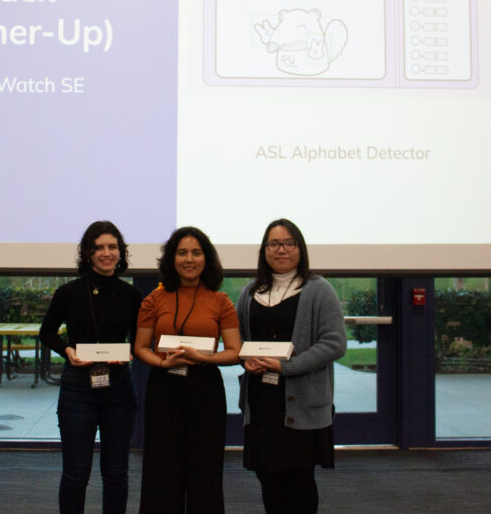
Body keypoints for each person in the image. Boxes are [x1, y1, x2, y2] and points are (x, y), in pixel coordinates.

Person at [235, 218, 347, 514]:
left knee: (299, 481)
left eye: (288, 243)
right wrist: (247, 359)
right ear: (264, 250)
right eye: (273, 244)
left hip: (301, 404)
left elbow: (335, 344)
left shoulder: (318, 289)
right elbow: (240, 340)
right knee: (267, 477)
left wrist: (288, 367)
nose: (281, 250)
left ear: (300, 248)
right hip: (261, 401)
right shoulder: (249, 292)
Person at [133, 226, 241, 514]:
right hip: (164, 389)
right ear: (171, 259)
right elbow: (141, 347)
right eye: (182, 253)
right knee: (161, 468)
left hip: (205, 391)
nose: (189, 259)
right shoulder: (154, 299)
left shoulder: (221, 301)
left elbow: (234, 351)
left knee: (204, 469)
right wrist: (162, 362)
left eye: (196, 252)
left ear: (206, 259)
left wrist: (203, 358)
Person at [39, 220, 144, 514]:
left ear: (121, 253)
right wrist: (68, 350)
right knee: (75, 474)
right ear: (88, 253)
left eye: (112, 247)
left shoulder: (132, 295)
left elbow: (140, 341)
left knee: (116, 473)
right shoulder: (68, 292)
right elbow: (46, 333)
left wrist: (130, 354)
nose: (106, 253)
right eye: (99, 247)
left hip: (119, 389)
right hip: (78, 389)